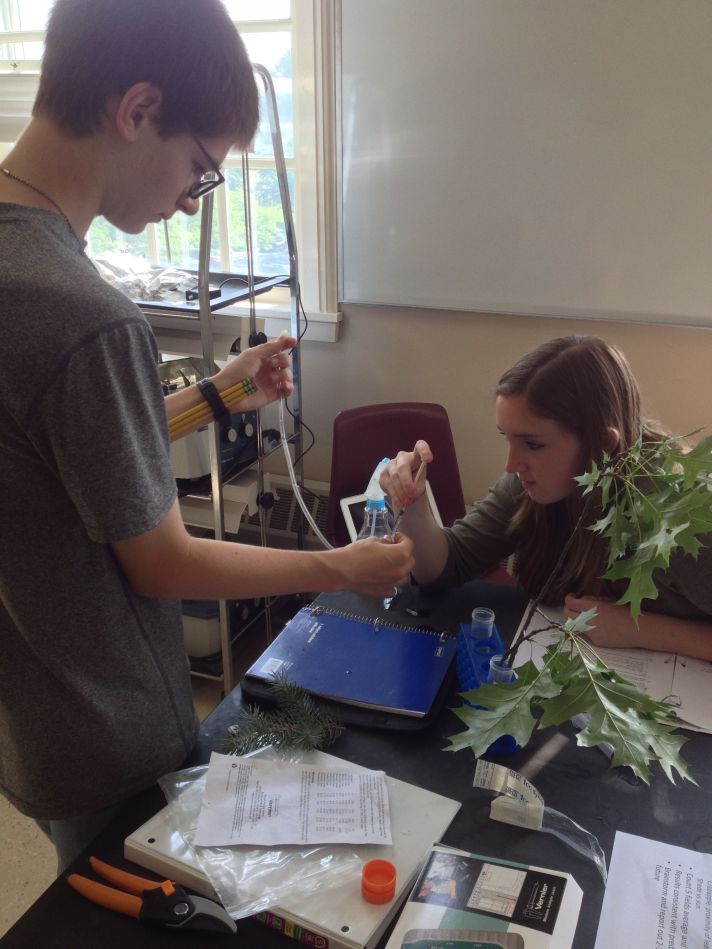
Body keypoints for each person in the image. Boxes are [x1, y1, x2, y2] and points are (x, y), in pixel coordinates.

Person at [0, 0, 413, 872]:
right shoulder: (81, 314)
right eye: (199, 168)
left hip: (31, 715)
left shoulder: (24, 273)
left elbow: (62, 455)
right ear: (138, 109)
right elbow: (165, 563)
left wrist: (217, 398)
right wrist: (337, 568)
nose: (191, 204)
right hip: (107, 734)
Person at [380, 335, 712, 661]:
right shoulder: (529, 482)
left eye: (533, 444)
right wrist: (413, 502)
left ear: (601, 444)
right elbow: (446, 567)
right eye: (507, 438)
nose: (511, 464)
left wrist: (638, 629)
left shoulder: (682, 514)